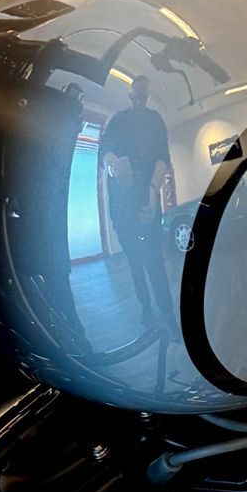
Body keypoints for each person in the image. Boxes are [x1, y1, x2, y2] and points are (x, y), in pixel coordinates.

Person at [99, 75, 176, 331]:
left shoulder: (155, 120)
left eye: (143, 97)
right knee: (134, 263)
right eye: (136, 96)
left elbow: (163, 158)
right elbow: (104, 151)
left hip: (147, 200)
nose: (139, 101)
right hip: (122, 207)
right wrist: (114, 165)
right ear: (130, 95)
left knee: (155, 263)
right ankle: (147, 311)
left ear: (147, 96)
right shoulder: (118, 120)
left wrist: (153, 191)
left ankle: (169, 317)